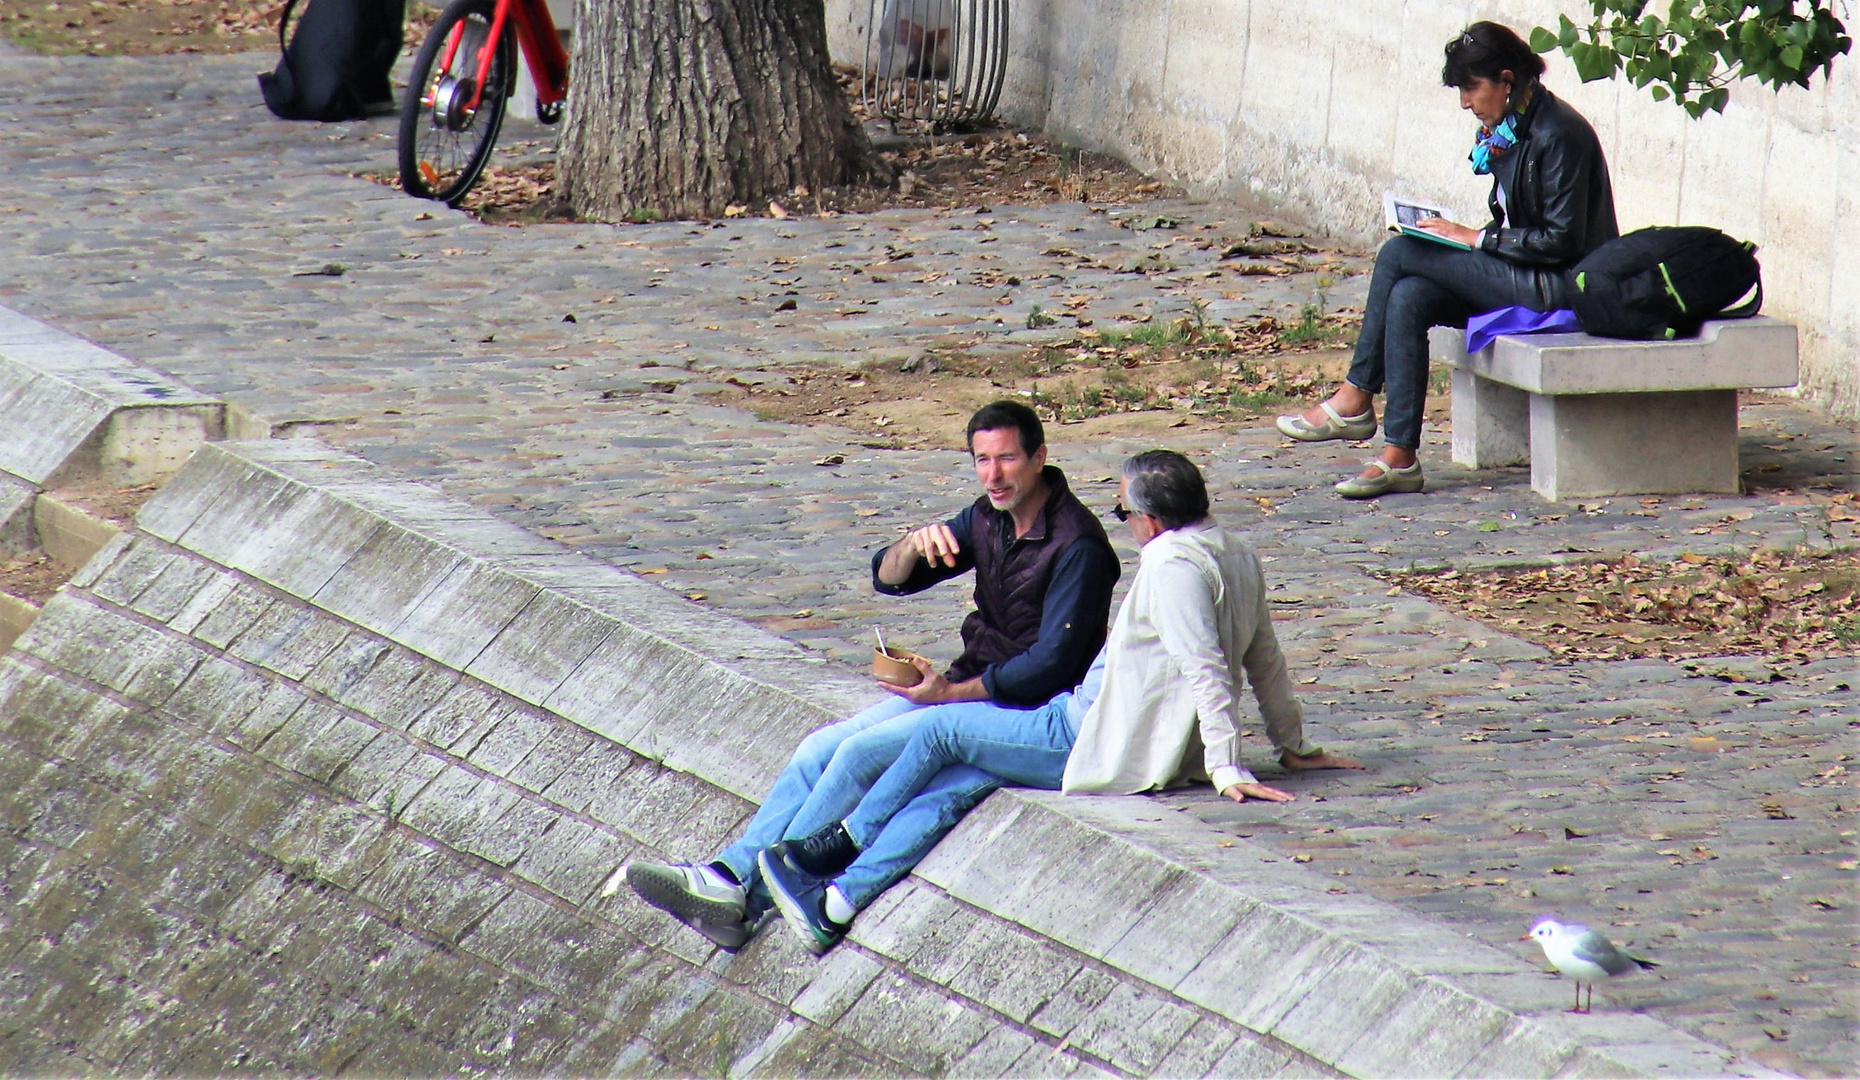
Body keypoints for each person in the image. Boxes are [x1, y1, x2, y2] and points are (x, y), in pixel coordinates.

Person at [755, 450, 1364, 953]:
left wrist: (1227, 766)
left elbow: (1207, 668)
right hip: (1084, 719)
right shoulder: (1235, 550)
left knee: (939, 733)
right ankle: (835, 904)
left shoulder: (1171, 568)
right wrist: (1294, 746)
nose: (1123, 522)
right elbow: (1265, 659)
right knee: (954, 782)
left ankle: (842, 843)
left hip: (1081, 732)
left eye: (1124, 510)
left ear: (1149, 519)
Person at [625, 400, 1119, 949]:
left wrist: (949, 694)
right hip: (956, 688)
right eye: (981, 460)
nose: (993, 475)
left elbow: (1050, 664)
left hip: (1012, 708)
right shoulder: (987, 516)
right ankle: (729, 876)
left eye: (1005, 460)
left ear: (1039, 458)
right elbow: (889, 578)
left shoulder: (1078, 545)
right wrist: (911, 544)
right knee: (819, 748)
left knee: (858, 758)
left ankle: (744, 890)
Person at [1276, 21, 1618, 498]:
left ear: (1506, 79)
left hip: (1563, 287)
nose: (1465, 102)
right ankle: (1400, 456)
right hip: (1525, 273)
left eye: (1471, 88)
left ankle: (1356, 394)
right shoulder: (1513, 127)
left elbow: (1560, 242)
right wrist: (1471, 233)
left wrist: (1475, 239)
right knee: (1410, 295)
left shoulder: (1560, 133)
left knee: (1399, 251)